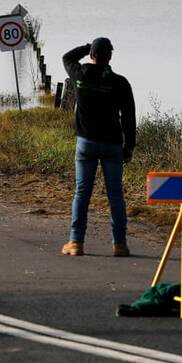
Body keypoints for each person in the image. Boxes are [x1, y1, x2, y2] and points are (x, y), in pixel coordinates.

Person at [61, 37, 135, 257]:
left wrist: (86, 46)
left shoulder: (80, 74)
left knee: (82, 192)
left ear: (92, 55)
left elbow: (67, 57)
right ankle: (119, 244)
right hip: (112, 145)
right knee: (115, 194)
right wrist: (129, 146)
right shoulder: (120, 83)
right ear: (110, 57)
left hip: (86, 144)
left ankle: (76, 243)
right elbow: (129, 118)